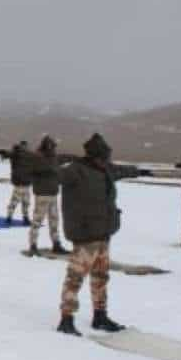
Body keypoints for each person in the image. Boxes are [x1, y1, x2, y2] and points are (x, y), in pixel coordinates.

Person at [55, 133, 153, 336]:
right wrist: (52, 162)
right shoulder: (76, 170)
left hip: (103, 233)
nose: (108, 158)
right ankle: (66, 319)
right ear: (96, 155)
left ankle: (100, 316)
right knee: (75, 278)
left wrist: (139, 171)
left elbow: (121, 170)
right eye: (105, 155)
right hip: (85, 235)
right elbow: (53, 176)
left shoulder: (105, 169)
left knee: (101, 277)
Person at [24, 136, 78, 255]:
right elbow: (36, 169)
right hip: (43, 194)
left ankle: (56, 244)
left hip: (52, 194)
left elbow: (65, 157)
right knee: (37, 220)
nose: (54, 149)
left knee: (54, 220)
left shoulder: (53, 158)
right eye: (52, 146)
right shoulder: (38, 159)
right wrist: (52, 169)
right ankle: (33, 245)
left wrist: (78, 158)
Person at [0, 141, 33, 225]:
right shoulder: (16, 154)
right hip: (19, 184)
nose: (25, 148)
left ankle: (24, 218)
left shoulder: (29, 155)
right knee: (15, 202)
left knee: (25, 203)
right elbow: (9, 154)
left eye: (26, 146)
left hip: (26, 184)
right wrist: (4, 153)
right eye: (24, 146)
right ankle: (9, 217)